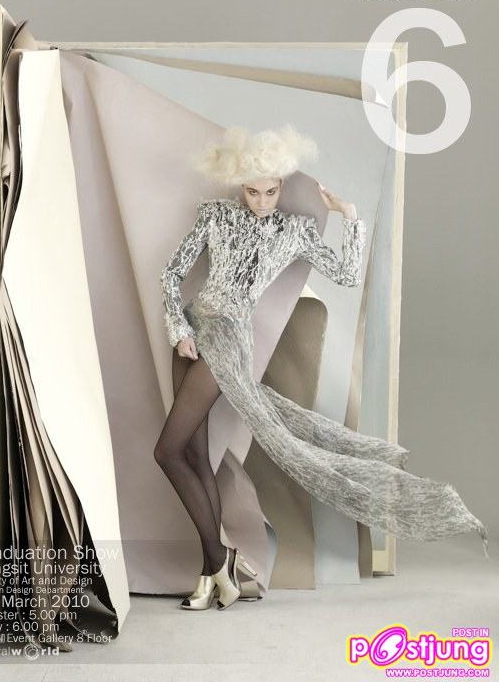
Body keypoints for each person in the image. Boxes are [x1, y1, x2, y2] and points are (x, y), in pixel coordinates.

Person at [153, 125, 488, 612]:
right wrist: (177, 328)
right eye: (253, 191)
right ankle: (213, 574)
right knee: (195, 456)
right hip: (192, 333)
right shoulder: (216, 215)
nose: (262, 201)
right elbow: (171, 274)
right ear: (240, 184)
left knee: (166, 451)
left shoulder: (294, 231)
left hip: (228, 340)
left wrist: (349, 216)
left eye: (271, 191)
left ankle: (220, 559)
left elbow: (347, 274)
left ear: (281, 187)